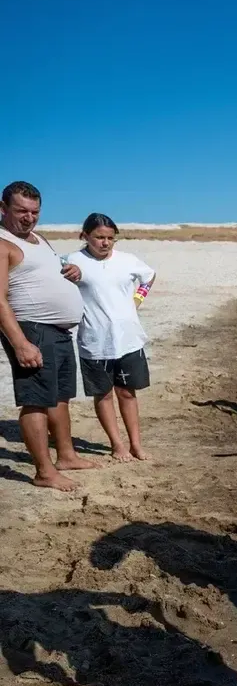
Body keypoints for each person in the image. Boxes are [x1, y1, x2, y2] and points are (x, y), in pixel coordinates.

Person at [0, 181, 97, 491]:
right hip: (32, 328)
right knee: (36, 401)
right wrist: (20, 343)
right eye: (21, 211)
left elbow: (47, 270)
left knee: (59, 397)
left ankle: (66, 456)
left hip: (58, 331)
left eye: (35, 212)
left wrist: (72, 272)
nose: (29, 218)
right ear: (3, 209)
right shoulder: (2, 243)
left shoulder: (38, 239)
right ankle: (44, 472)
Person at [62, 213, 156, 462]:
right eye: (99, 237)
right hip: (94, 341)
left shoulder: (128, 260)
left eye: (110, 238)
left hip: (128, 339)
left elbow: (149, 276)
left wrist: (138, 299)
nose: (105, 243)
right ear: (85, 236)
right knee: (103, 394)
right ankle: (117, 445)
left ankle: (136, 444)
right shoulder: (72, 261)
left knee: (127, 393)